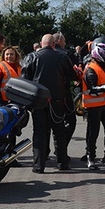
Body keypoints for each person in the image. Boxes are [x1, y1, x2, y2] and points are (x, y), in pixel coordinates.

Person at [22, 33, 79, 172]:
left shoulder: (31, 57)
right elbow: (72, 76)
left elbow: (24, 79)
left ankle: (38, 166)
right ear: (54, 44)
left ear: (41, 44)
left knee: (39, 132)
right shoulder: (62, 56)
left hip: (39, 100)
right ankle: (63, 163)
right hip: (57, 100)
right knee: (59, 132)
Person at [81, 42, 105, 170]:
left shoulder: (103, 67)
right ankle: (91, 157)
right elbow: (91, 90)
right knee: (93, 133)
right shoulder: (91, 69)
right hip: (93, 107)